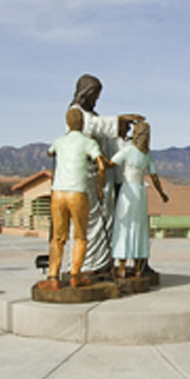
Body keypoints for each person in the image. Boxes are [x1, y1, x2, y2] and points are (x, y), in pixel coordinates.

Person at [69, 74, 143, 275]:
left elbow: (102, 131)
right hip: (88, 177)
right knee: (91, 220)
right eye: (94, 95)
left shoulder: (90, 115)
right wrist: (119, 120)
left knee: (106, 218)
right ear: (86, 92)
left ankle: (101, 262)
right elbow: (94, 125)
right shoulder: (76, 114)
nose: (96, 100)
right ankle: (86, 265)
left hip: (102, 178)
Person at [42, 107, 109, 289]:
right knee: (79, 235)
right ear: (83, 123)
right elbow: (101, 165)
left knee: (58, 237)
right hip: (77, 192)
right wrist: (100, 188)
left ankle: (53, 276)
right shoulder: (88, 142)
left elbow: (50, 152)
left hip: (58, 192)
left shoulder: (59, 141)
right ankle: (75, 275)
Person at [112, 120, 168, 277]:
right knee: (140, 227)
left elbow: (111, 163)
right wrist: (162, 194)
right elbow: (154, 176)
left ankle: (122, 267)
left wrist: (98, 160)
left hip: (128, 191)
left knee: (125, 226)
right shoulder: (146, 154)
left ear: (136, 134)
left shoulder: (128, 150)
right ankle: (138, 267)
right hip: (140, 193)